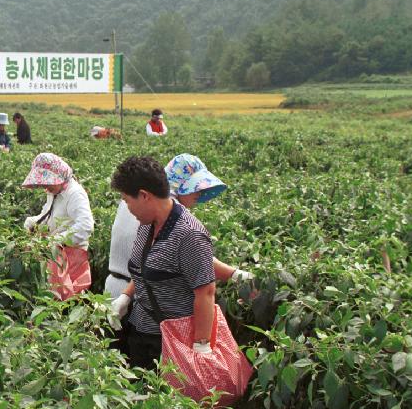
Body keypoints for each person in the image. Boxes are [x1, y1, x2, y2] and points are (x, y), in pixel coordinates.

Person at [107, 153, 253, 316]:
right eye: (195, 187)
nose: (199, 193)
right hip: (137, 294)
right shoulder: (163, 210)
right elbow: (195, 257)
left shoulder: (135, 197)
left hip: (119, 286)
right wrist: (236, 275)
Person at [110, 155, 216, 370]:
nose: (127, 208)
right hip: (141, 331)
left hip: (172, 341)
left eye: (127, 200)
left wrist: (201, 344)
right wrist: (125, 297)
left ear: (144, 196)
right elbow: (144, 270)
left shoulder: (189, 234)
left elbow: (205, 292)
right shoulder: (147, 225)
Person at [22, 153, 94, 300]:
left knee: (67, 300)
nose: (45, 187)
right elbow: (47, 216)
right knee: (52, 296)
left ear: (60, 176)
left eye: (48, 182)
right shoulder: (54, 191)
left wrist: (57, 240)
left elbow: (86, 226)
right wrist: (33, 223)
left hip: (71, 257)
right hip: (56, 255)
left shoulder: (75, 194)